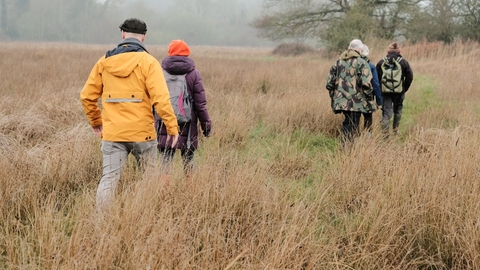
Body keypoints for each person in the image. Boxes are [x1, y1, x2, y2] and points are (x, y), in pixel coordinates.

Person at [80, 18, 179, 210]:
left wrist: (96, 122)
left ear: (123, 34)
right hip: (143, 134)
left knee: (108, 180)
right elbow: (161, 99)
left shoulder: (103, 62)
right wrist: (172, 127)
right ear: (144, 37)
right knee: (149, 181)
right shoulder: (149, 62)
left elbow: (86, 97)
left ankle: (102, 224)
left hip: (113, 135)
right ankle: (145, 218)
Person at [155, 40, 212, 178]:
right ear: (187, 53)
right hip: (188, 126)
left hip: (165, 123)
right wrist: (206, 126)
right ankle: (191, 193)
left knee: (165, 160)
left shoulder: (160, 72)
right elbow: (200, 104)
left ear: (169, 53)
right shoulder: (194, 74)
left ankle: (163, 192)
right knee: (189, 160)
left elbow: (153, 101)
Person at [326, 39, 373, 145]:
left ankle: (347, 147)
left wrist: (336, 96)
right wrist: (368, 98)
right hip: (357, 102)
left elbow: (329, 84)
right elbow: (366, 84)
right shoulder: (362, 63)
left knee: (348, 122)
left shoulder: (337, 62)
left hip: (341, 101)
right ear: (359, 50)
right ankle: (348, 149)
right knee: (352, 124)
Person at [376, 42, 413, 135]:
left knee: (386, 111)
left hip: (385, 92)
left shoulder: (381, 62)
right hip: (399, 91)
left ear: (388, 51)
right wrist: (404, 88)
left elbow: (376, 78)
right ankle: (395, 130)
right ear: (399, 51)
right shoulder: (403, 62)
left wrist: (381, 88)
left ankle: (385, 134)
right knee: (398, 109)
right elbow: (410, 77)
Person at [360, 44, 383, 133]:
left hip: (353, 98)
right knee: (368, 117)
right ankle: (367, 136)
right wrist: (379, 101)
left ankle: (354, 138)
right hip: (367, 97)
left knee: (355, 118)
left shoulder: (351, 64)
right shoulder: (371, 66)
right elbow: (376, 84)